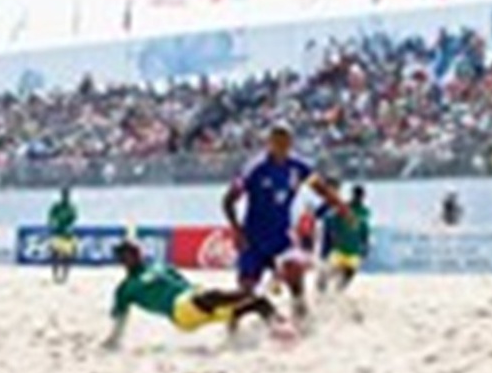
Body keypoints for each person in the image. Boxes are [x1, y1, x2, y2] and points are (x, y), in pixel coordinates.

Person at [222, 125, 350, 320]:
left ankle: (302, 320)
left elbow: (320, 188)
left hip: (280, 236)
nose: (282, 147)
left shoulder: (297, 166)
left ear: (290, 143)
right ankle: (233, 328)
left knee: (295, 275)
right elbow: (228, 199)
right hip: (253, 238)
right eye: (277, 142)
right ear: (270, 143)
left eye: (286, 142)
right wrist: (237, 230)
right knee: (245, 292)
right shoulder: (255, 168)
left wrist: (341, 206)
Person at [101, 241, 295, 351]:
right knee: (219, 295)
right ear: (122, 260)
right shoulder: (126, 288)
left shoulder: (160, 266)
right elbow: (120, 319)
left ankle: (280, 330)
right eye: (128, 254)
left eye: (135, 251)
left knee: (258, 303)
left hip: (195, 297)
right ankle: (248, 293)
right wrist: (112, 341)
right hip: (180, 311)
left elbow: (183, 283)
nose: (135, 255)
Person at [318, 185, 371, 293]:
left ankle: (338, 291)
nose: (358, 198)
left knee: (351, 272)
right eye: (356, 195)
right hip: (341, 246)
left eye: (360, 196)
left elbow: (364, 229)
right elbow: (331, 222)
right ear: (353, 195)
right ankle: (322, 284)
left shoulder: (364, 211)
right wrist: (333, 236)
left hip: (354, 248)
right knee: (333, 270)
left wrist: (366, 245)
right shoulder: (344, 208)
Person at [47, 187, 78, 284]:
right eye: (64, 195)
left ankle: (65, 276)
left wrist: (68, 226)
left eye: (67, 195)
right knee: (55, 256)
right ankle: (55, 276)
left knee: (67, 257)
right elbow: (50, 217)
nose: (65, 197)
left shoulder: (71, 208)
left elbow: (73, 219)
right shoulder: (56, 207)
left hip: (67, 235)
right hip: (57, 234)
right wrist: (53, 223)